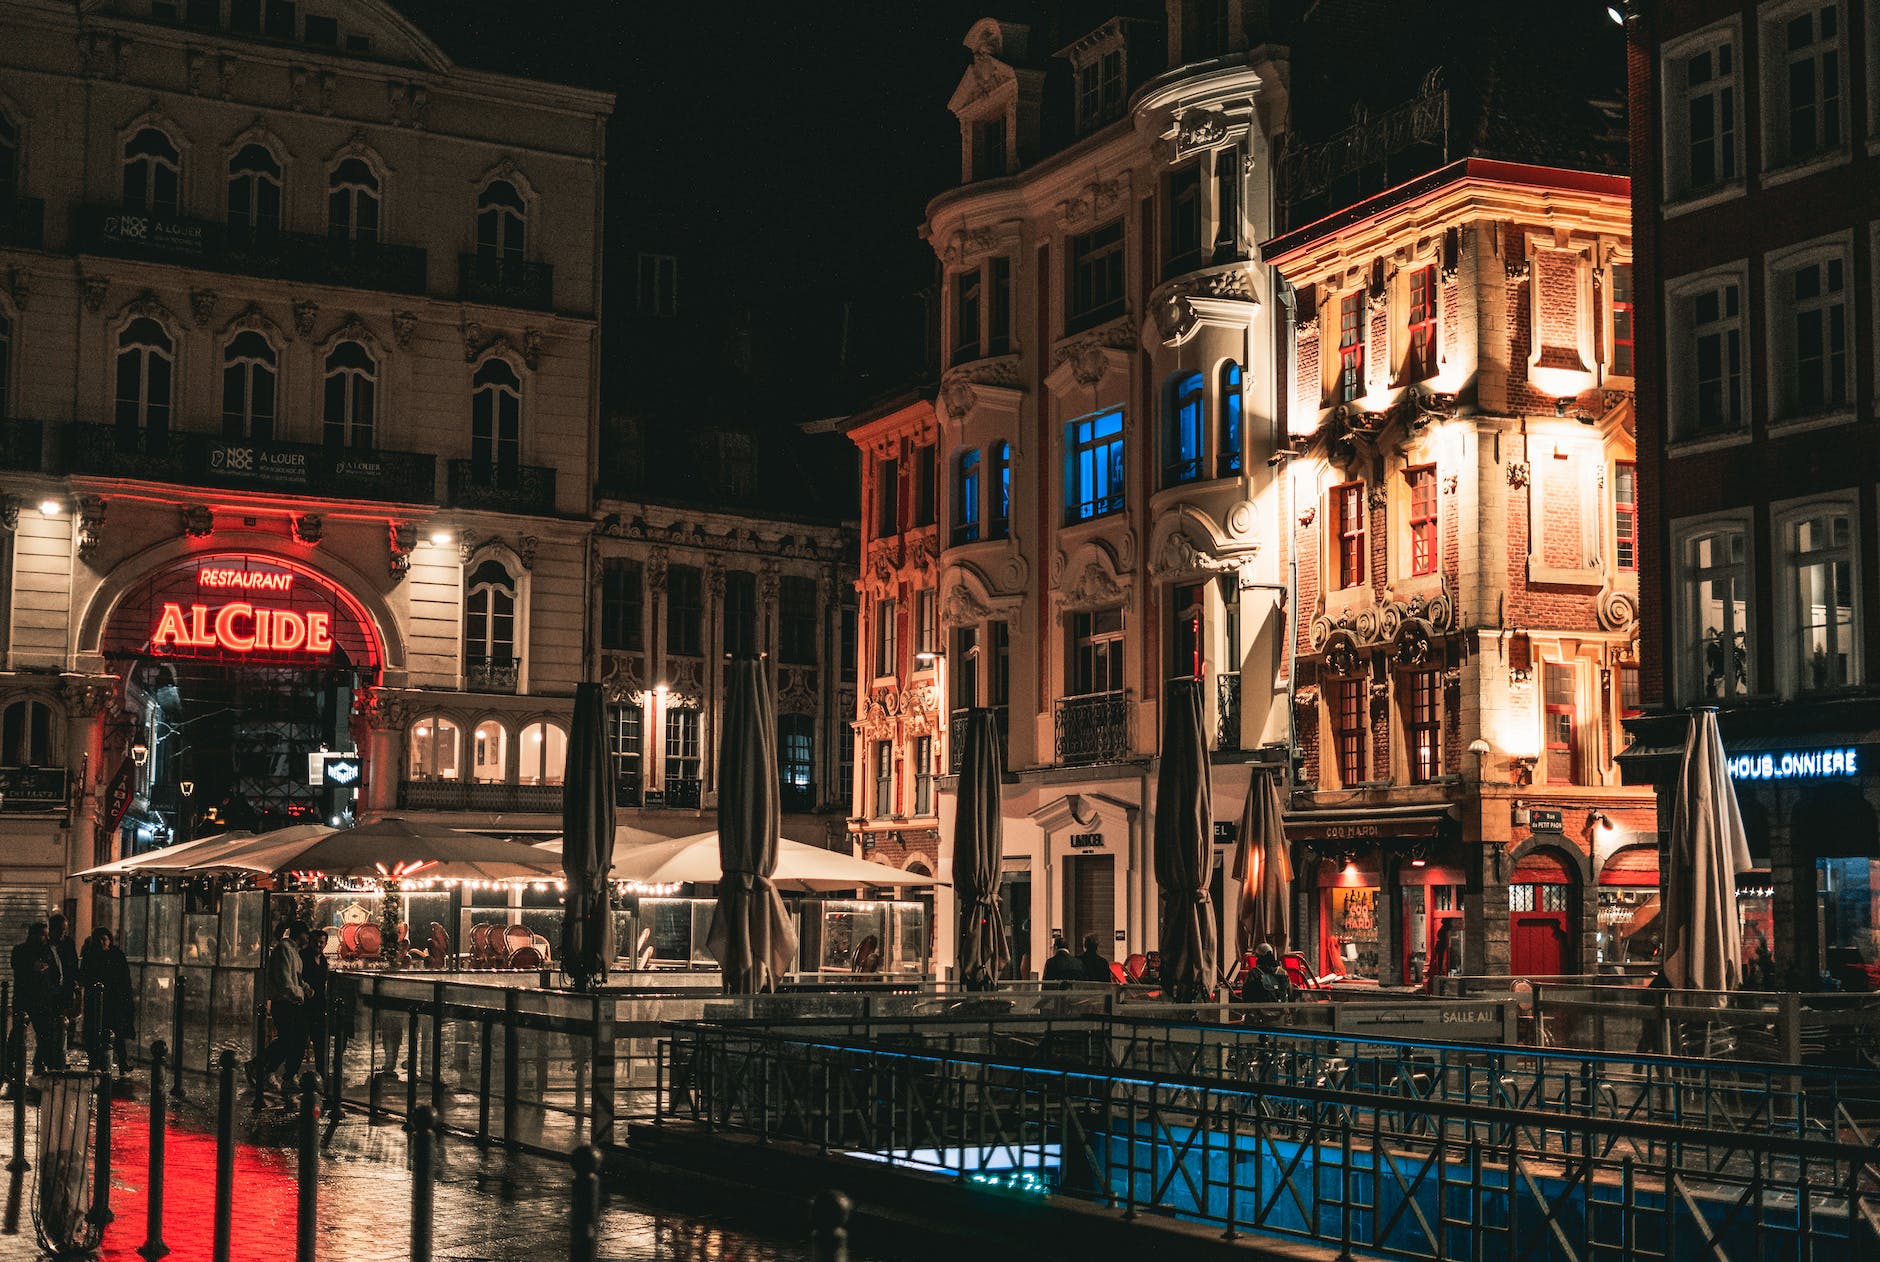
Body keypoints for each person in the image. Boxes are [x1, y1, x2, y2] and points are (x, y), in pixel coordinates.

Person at [247, 921, 312, 1103]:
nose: (307, 938)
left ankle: (269, 1070)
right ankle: (259, 1066)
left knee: (293, 1039)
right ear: (299, 935)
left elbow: (295, 978)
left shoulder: (293, 952)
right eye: (306, 935)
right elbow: (285, 979)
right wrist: (298, 993)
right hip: (284, 1002)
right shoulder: (284, 950)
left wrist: (304, 988)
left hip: (291, 1000)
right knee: (287, 1039)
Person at [78, 927, 135, 1074]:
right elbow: (84, 976)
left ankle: (122, 1061)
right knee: (94, 1031)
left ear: (109, 940)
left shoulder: (117, 955)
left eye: (104, 939)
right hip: (95, 1000)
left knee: (116, 1031)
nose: (102, 943)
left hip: (113, 1000)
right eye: (99, 940)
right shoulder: (91, 956)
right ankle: (95, 1061)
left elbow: (125, 978)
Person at [10, 922, 59, 1079]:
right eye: (40, 934)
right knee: (18, 1034)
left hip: (42, 998)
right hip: (26, 997)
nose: (42, 938)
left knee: (45, 1034)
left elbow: (56, 974)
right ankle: (9, 1065)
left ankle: (40, 1064)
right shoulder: (21, 950)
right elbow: (16, 965)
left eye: (44, 935)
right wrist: (33, 967)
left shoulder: (48, 951)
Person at [301, 928, 332, 1081]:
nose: (318, 945)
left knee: (321, 1043)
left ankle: (322, 1074)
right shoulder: (304, 957)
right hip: (304, 1005)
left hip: (319, 1006)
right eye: (316, 941)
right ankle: (291, 1074)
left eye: (321, 942)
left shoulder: (324, 960)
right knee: (300, 1041)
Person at [47, 914, 80, 1043]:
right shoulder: (48, 945)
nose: (62, 933)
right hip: (52, 989)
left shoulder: (68, 943)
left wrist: (74, 983)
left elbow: (74, 965)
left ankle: (63, 1049)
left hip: (66, 987)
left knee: (67, 1020)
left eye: (64, 930)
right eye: (59, 930)